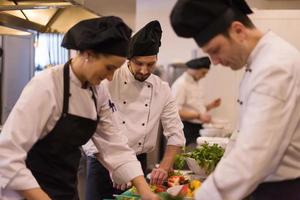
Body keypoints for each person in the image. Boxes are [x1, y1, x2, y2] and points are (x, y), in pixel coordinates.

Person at [0, 16, 159, 200]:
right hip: (28, 191)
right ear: (88, 54)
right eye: (109, 68)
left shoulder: (98, 92)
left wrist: (144, 190)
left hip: (66, 188)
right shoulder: (47, 86)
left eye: (115, 70)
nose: (110, 77)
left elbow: (113, 143)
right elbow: (7, 154)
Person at [170, 0, 300, 200]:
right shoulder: (259, 63)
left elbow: (252, 156)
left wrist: (199, 197)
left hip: (283, 190)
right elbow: (240, 136)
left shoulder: (274, 67)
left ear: (238, 30)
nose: (215, 61)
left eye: (215, 50)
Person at [83, 20, 186, 200]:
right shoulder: (108, 79)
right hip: (102, 162)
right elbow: (90, 131)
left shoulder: (162, 88)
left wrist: (164, 166)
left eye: (150, 64)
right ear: (128, 59)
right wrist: (115, 167)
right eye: (139, 63)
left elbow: (176, 133)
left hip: (138, 162)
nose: (144, 70)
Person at [171, 57, 221, 146]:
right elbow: (176, 111)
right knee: (187, 156)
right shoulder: (181, 84)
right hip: (186, 128)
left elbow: (194, 107)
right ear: (194, 69)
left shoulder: (196, 83)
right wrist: (199, 116)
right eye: (203, 73)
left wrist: (211, 106)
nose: (204, 76)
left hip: (197, 127)